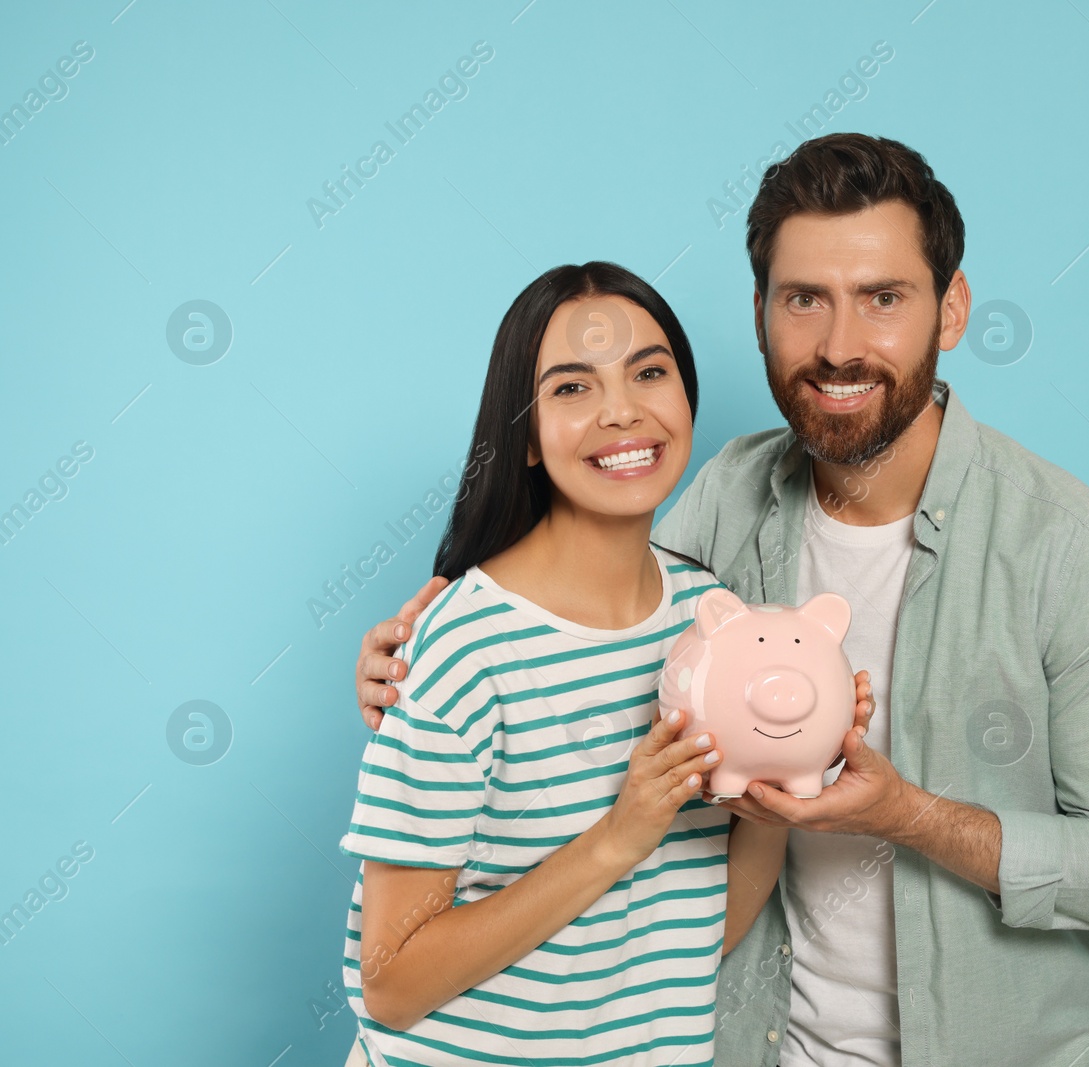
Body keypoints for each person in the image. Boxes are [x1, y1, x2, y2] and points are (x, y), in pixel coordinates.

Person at [356, 134, 1089, 1067]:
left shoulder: (1070, 545)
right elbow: (591, 618)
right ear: (758, 315)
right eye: (804, 301)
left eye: (882, 298)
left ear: (951, 309)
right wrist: (413, 661)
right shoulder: (726, 499)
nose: (838, 347)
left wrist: (903, 813)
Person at [337, 260, 876, 1067]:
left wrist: (785, 775)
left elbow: (691, 942)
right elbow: (392, 982)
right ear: (520, 435)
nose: (622, 410)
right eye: (572, 387)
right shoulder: (460, 648)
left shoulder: (711, 625)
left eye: (650, 372)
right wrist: (617, 838)